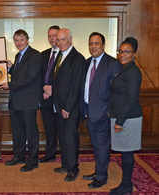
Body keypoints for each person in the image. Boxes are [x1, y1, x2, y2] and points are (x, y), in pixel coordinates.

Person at [82, 32, 122, 188]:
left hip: (104, 113)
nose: (93, 46)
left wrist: (109, 112)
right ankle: (98, 170)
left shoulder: (112, 64)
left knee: (102, 145)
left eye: (97, 43)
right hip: (89, 112)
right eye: (91, 43)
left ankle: (101, 176)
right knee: (95, 145)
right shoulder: (87, 63)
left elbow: (118, 91)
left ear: (103, 45)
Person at [0, 29, 42, 172]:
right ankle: (19, 156)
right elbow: (20, 75)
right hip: (16, 101)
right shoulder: (18, 55)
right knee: (17, 131)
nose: (19, 43)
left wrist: (9, 85)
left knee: (31, 132)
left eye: (21, 40)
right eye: (16, 40)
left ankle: (33, 161)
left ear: (27, 40)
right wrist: (10, 69)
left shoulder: (35, 55)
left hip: (28, 101)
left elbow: (29, 78)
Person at [108, 37, 142, 195]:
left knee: (127, 152)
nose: (122, 54)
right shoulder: (124, 69)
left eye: (126, 52)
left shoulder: (133, 72)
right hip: (121, 116)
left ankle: (126, 185)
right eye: (120, 51)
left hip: (128, 119)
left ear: (134, 54)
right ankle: (126, 183)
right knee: (124, 151)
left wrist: (120, 121)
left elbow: (131, 98)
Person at [52, 28, 86, 182]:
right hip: (59, 107)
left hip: (69, 108)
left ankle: (73, 169)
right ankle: (65, 164)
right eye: (58, 40)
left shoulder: (77, 58)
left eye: (63, 39)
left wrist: (68, 107)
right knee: (64, 138)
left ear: (70, 40)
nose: (60, 43)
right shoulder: (60, 55)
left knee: (71, 139)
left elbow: (76, 85)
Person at [39, 25, 61, 163]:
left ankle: (66, 157)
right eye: (50, 36)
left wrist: (52, 89)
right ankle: (50, 154)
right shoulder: (43, 55)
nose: (52, 38)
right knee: (49, 129)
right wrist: (44, 88)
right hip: (45, 99)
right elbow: (38, 75)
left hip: (60, 99)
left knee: (62, 130)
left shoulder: (65, 54)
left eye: (55, 35)